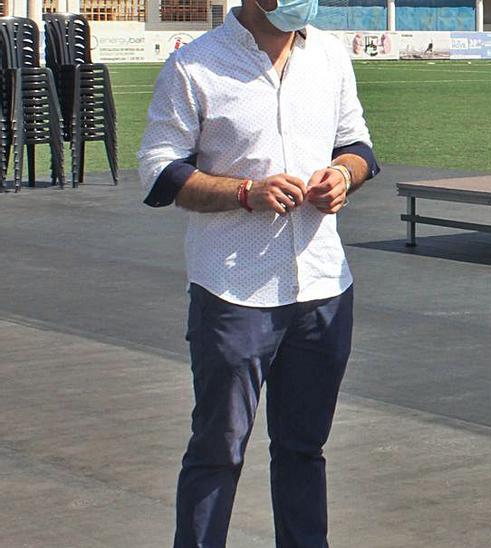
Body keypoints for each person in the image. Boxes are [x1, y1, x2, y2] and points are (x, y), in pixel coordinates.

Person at [136, 0, 379, 544]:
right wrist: (245, 193)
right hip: (233, 289)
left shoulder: (331, 57)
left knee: (303, 450)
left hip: (322, 286)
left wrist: (344, 174)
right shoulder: (194, 65)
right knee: (217, 451)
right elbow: (158, 170)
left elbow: (358, 145)